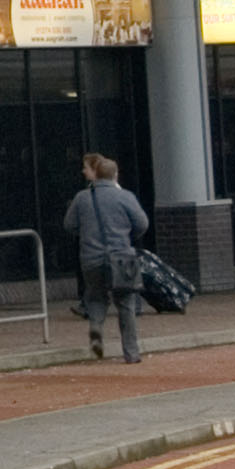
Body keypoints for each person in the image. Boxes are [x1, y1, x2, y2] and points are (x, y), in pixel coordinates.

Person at [63, 151, 150, 363]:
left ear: (97, 174)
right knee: (126, 304)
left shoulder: (82, 198)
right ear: (115, 175)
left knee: (95, 301)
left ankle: (96, 346)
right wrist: (126, 235)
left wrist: (87, 235)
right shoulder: (126, 197)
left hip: (91, 258)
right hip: (121, 258)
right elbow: (142, 224)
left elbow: (69, 225)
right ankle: (131, 353)